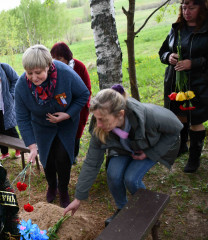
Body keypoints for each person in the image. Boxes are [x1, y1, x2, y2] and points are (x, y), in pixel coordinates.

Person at [63, 86, 182, 226]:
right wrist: (78, 198)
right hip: (123, 148)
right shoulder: (99, 125)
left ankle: (149, 212)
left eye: (103, 119)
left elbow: (175, 130)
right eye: (96, 119)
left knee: (131, 178)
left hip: (148, 147)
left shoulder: (150, 116)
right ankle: (122, 208)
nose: (98, 124)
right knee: (113, 174)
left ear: (120, 114)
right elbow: (92, 162)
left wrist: (150, 153)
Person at [14, 45, 90, 208]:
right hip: (41, 126)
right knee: (47, 159)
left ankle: (63, 190)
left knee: (63, 158)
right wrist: (32, 145)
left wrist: (68, 114)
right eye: (29, 73)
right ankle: (52, 185)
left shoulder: (65, 73)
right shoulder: (22, 85)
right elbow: (21, 116)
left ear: (49, 65)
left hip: (65, 124)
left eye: (38, 72)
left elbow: (83, 94)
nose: (34, 78)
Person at [159, 0, 208, 173]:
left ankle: (194, 159)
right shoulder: (176, 28)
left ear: (202, 8)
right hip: (175, 82)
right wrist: (168, 57)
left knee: (195, 119)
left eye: (192, 8)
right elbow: (162, 51)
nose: (187, 11)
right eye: (184, 7)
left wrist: (193, 63)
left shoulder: (206, 29)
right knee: (179, 116)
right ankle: (182, 147)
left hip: (199, 83)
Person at [50, 42, 92, 164]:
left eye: (59, 58)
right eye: (53, 58)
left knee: (76, 132)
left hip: (79, 107)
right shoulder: (52, 69)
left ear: (67, 58)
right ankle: (62, 156)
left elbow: (86, 90)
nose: (55, 61)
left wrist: (78, 106)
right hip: (61, 105)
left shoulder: (79, 67)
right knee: (63, 132)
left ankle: (73, 156)